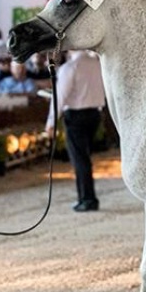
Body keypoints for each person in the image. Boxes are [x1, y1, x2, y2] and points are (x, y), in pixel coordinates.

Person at [46, 51, 106, 212]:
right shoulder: (98, 64)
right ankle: (87, 197)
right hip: (95, 113)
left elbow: (60, 96)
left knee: (80, 160)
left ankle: (87, 198)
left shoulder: (70, 67)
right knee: (84, 158)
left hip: (76, 116)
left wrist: (51, 121)